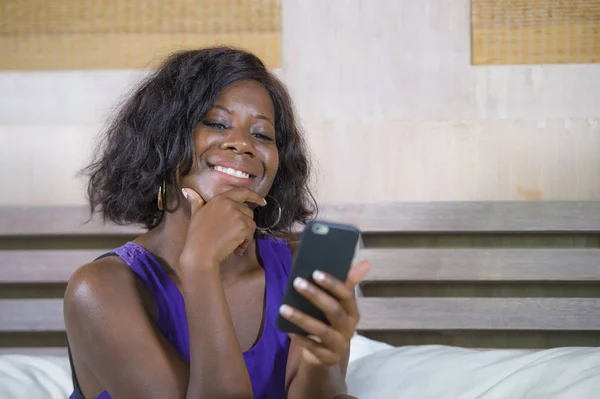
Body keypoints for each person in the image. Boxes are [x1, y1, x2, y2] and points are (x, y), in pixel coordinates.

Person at [63, 46, 371, 399]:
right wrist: (200, 264)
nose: (242, 144)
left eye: (261, 134)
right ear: (163, 139)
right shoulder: (101, 289)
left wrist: (321, 362)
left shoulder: (301, 268)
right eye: (215, 123)